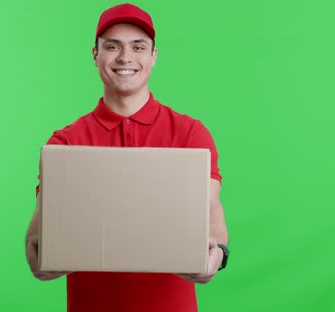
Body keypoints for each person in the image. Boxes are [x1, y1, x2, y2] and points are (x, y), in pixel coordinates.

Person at [25, 3, 229, 311]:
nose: (125, 58)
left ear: (153, 57)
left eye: (138, 47)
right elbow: (37, 242)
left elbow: (211, 208)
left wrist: (218, 254)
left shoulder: (190, 134)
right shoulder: (65, 143)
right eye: (112, 46)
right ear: (95, 55)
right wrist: (42, 256)